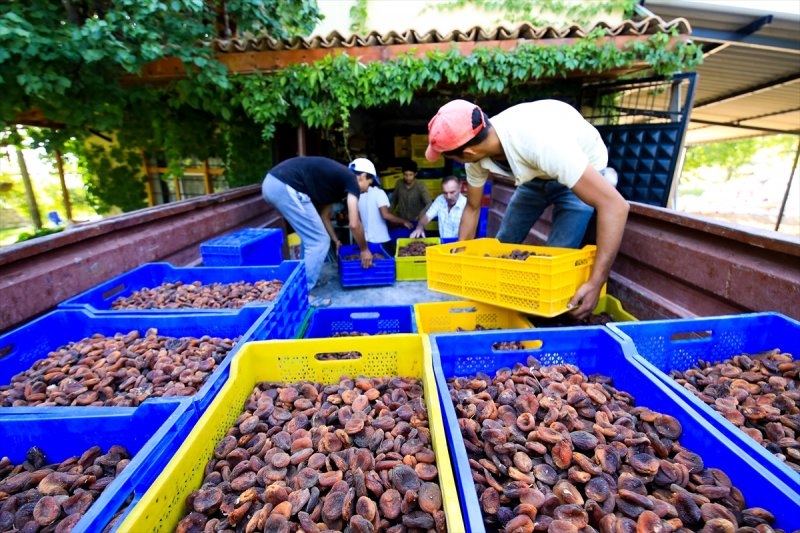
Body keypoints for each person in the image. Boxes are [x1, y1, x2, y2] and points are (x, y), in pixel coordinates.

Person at [424, 99, 629, 319]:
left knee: (555, 263)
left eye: (449, 157)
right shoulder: (475, 157)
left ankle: (540, 322)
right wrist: (461, 268)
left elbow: (616, 206)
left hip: (581, 170)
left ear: (469, 152)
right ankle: (506, 310)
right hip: (535, 175)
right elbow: (472, 207)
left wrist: (597, 283)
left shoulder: (539, 143)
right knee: (502, 244)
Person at [261, 156, 373, 295]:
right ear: (362, 176)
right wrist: (364, 250)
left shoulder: (337, 182)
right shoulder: (351, 179)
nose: (368, 190)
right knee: (318, 241)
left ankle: (302, 282)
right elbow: (354, 223)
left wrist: (335, 239)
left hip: (274, 183)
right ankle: (302, 294)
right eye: (370, 184)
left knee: (311, 239)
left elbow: (324, 217)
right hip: (284, 185)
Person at [351, 157, 414, 257]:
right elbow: (386, 215)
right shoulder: (379, 193)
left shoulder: (356, 195)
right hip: (381, 241)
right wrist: (403, 221)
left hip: (364, 241)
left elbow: (357, 220)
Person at [409, 175, 467, 240]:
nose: (448, 197)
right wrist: (419, 228)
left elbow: (469, 234)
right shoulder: (440, 200)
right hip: (443, 245)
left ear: (460, 187)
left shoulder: (466, 205)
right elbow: (426, 217)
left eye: (452, 192)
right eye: (445, 193)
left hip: (460, 246)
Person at [389, 159, 432, 224]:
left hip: (416, 220)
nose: (408, 177)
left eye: (410, 175)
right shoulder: (399, 184)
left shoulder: (421, 186)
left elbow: (429, 203)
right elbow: (393, 201)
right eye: (406, 175)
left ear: (415, 174)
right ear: (403, 174)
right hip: (402, 220)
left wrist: (421, 214)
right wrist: (389, 214)